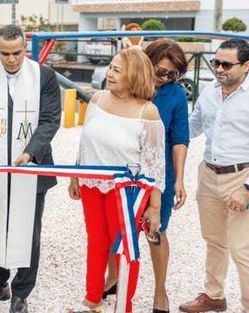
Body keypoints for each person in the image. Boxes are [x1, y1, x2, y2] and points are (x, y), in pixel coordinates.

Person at [67, 47, 165, 313]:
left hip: (127, 192)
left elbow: (155, 165)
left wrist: (154, 207)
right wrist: (76, 176)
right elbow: (85, 141)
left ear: (133, 75)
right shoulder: (97, 99)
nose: (109, 73)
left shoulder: (148, 113)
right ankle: (92, 299)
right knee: (96, 241)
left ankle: (124, 305)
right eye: (110, 67)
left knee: (124, 246)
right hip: (91, 184)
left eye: (116, 70)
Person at [0, 24, 61, 313]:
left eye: (17, 53)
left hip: (30, 167)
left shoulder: (44, 76)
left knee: (29, 230)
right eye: (4, 53)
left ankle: (22, 291)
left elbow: (50, 119)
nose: (11, 60)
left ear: (25, 49)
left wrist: (29, 152)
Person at [100, 39, 190, 313]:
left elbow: (179, 139)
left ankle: (160, 291)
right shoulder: (125, 86)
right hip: (121, 169)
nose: (165, 78)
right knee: (115, 229)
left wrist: (179, 179)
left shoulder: (175, 94)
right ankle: (114, 277)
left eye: (172, 73)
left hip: (157, 173)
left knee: (155, 230)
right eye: (160, 71)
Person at [179, 39, 249, 313]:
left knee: (242, 249)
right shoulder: (209, 91)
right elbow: (193, 126)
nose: (218, 69)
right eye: (216, 62)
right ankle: (214, 295)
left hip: (242, 176)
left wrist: (246, 189)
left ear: (246, 66)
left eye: (226, 64)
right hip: (208, 175)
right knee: (214, 241)